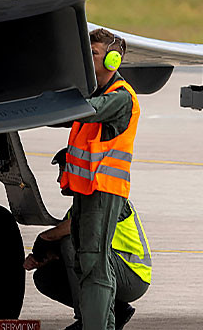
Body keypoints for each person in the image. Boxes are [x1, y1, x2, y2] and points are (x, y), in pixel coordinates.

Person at [53, 26, 141, 330]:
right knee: (84, 260)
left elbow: (87, 112)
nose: (87, 60)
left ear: (113, 60)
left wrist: (42, 104)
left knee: (94, 263)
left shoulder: (119, 98)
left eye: (93, 54)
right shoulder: (96, 94)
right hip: (87, 190)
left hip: (104, 191)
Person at [25, 199, 153, 329]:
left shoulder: (108, 199)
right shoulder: (78, 208)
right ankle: (116, 310)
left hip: (133, 276)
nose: (59, 180)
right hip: (113, 270)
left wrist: (43, 239)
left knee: (72, 243)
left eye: (62, 177)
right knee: (45, 276)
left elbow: (77, 228)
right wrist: (42, 258)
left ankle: (87, 321)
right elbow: (60, 240)